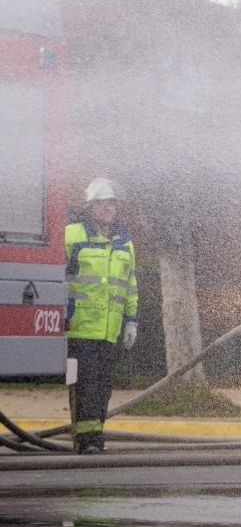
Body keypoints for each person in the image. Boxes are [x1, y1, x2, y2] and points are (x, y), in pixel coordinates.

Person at [64, 178, 138, 454]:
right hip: (78, 329)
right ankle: (86, 441)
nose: (107, 208)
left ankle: (95, 436)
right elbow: (57, 278)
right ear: (89, 206)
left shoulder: (124, 244)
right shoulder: (72, 236)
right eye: (101, 203)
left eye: (111, 203)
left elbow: (130, 287)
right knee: (82, 384)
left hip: (110, 331)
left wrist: (131, 321)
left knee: (103, 386)